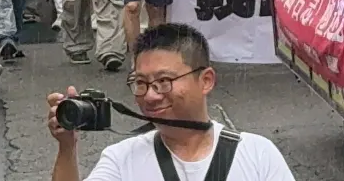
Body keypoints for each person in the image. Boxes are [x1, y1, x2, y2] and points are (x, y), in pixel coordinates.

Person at [47, 24, 297, 181]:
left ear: (206, 80)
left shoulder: (257, 155)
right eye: (141, 82)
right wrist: (67, 147)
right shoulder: (122, 160)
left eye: (164, 81)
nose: (150, 95)